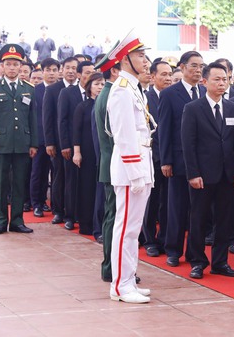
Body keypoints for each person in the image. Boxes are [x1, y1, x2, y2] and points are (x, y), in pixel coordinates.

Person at [181, 62, 234, 279]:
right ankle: (198, 261)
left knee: (225, 220)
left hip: (227, 175)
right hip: (202, 175)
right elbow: (188, 144)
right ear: (204, 82)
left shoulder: (233, 108)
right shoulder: (193, 109)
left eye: (224, 79)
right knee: (199, 219)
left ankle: (220, 262)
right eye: (216, 79)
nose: (221, 83)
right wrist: (193, 173)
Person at [106, 35, 153, 303]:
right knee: (125, 230)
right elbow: (123, 135)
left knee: (132, 229)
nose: (145, 62)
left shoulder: (133, 87)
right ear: (125, 60)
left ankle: (126, 281)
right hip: (129, 169)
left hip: (140, 165)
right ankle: (122, 285)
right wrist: (136, 172)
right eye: (140, 57)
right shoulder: (122, 88)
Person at [158, 51, 206, 268]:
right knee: (177, 206)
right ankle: (173, 250)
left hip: (203, 161)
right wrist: (165, 159)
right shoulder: (170, 94)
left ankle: (194, 251)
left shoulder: (205, 92)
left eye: (201, 66)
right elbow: (164, 129)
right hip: (178, 160)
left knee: (198, 210)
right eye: (194, 66)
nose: (198, 70)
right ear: (183, 67)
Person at [0, 44, 37, 234]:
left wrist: (33, 143)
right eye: (9, 64)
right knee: (0, 184)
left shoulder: (28, 89)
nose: (13, 68)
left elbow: (32, 118)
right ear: (2, 66)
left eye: (16, 64)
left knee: (20, 183)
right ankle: (0, 220)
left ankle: (17, 220)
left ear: (21, 67)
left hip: (22, 143)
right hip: (1, 144)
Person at [93, 51, 121, 283]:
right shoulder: (112, 95)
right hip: (115, 166)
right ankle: (111, 267)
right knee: (115, 217)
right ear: (114, 70)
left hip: (115, 165)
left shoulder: (113, 92)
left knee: (116, 216)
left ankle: (115, 266)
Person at [58, 60, 95, 230]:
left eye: (93, 73)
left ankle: (88, 214)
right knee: (72, 180)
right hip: (72, 146)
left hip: (91, 145)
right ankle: (70, 215)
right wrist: (66, 145)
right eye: (87, 73)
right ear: (79, 75)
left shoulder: (97, 94)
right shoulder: (67, 93)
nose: (90, 76)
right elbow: (62, 120)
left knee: (89, 182)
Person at [43, 57, 79, 225]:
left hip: (77, 143)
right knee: (59, 176)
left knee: (74, 179)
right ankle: (58, 210)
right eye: (68, 67)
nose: (71, 71)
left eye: (74, 68)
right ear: (61, 70)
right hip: (58, 143)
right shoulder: (52, 89)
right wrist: (49, 142)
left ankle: (74, 210)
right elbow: (48, 118)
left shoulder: (82, 89)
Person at [142, 60, 172, 257]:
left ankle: (165, 239)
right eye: (163, 74)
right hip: (152, 157)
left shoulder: (175, 97)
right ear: (153, 77)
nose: (168, 78)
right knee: (151, 202)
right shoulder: (145, 98)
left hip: (171, 160)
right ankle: (149, 239)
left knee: (168, 202)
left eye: (170, 74)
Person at [71, 72, 104, 236]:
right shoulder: (83, 106)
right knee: (87, 187)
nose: (100, 87)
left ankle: (99, 222)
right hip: (86, 151)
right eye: (97, 84)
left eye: (103, 84)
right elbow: (76, 131)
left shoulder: (106, 105)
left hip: (101, 151)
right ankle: (86, 224)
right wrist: (77, 152)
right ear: (89, 86)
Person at [29, 58, 59, 217]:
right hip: (39, 138)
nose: (52, 73)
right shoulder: (34, 90)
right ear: (43, 71)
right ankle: (37, 203)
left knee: (56, 174)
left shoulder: (62, 89)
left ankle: (55, 204)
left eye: (55, 70)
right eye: (48, 70)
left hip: (57, 139)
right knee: (38, 172)